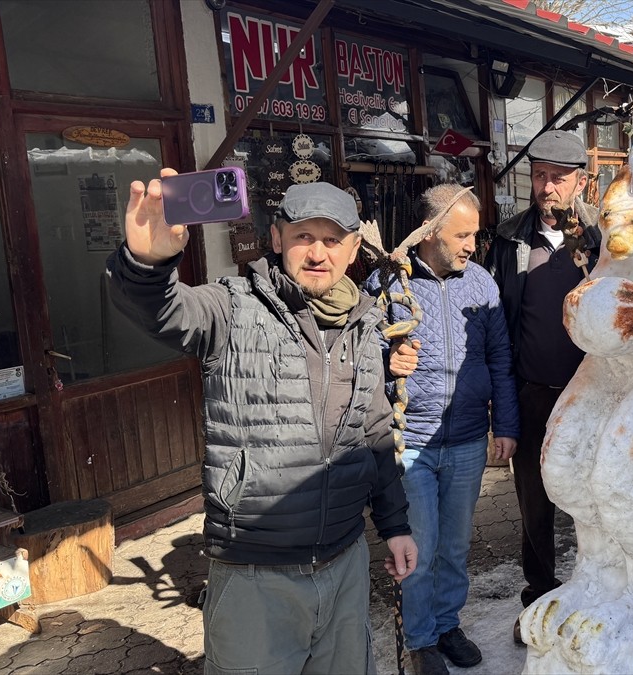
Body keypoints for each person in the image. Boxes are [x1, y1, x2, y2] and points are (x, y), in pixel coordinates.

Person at [107, 175, 418, 674]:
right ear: (277, 239)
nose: (318, 253)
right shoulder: (231, 307)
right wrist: (148, 265)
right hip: (255, 572)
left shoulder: (362, 322)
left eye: (332, 239)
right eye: (303, 237)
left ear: (355, 247)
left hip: (344, 562)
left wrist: (395, 525)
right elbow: (165, 312)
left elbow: (375, 432)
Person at [364, 183, 519, 675]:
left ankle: (448, 623)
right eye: (462, 235)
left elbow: (500, 358)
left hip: (470, 439)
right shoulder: (388, 283)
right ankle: (421, 638)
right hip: (411, 440)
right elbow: (358, 356)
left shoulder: (481, 284)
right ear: (429, 232)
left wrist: (506, 425)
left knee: (454, 546)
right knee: (421, 547)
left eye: (475, 234)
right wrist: (388, 362)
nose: (472, 245)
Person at [482, 130, 600, 644]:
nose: (547, 187)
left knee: (594, 498)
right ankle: (539, 595)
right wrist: (501, 408)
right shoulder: (508, 241)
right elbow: (497, 328)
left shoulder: (606, 239)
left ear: (582, 180)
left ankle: (596, 593)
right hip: (532, 395)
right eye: (539, 175)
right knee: (535, 501)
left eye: (558, 177)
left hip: (595, 396)